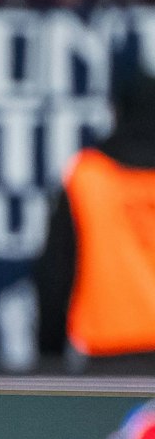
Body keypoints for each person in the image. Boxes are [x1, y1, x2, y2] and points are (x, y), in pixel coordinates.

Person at [36, 66, 155, 372]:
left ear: (117, 112)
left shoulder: (88, 178)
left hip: (110, 362)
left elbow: (54, 277)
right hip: (109, 356)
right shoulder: (87, 177)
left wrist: (48, 359)